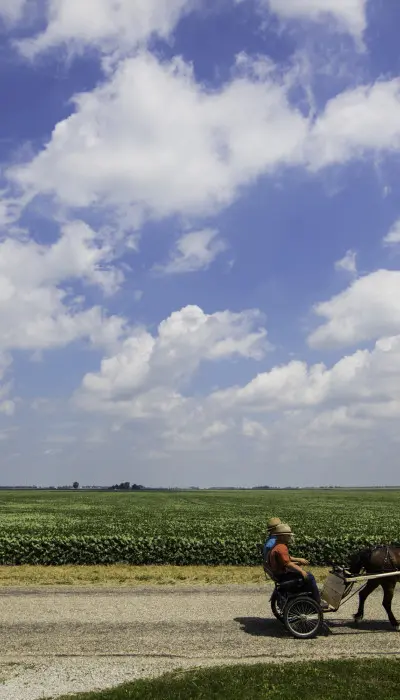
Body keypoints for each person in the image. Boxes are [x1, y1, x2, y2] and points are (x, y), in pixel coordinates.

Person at [268, 523, 325, 606]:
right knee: (310, 577)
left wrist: (299, 560)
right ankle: (317, 601)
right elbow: (287, 563)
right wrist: (301, 571)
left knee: (306, 575)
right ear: (282, 536)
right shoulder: (281, 547)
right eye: (288, 536)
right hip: (283, 576)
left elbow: (287, 558)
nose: (290, 537)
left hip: (279, 574)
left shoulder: (277, 545)